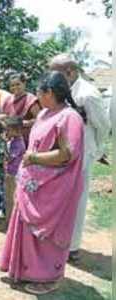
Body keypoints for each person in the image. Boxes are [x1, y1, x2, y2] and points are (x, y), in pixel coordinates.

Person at [0, 71, 85, 295]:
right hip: (32, 184)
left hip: (54, 187)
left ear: (52, 93)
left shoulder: (69, 117)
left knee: (45, 233)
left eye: (40, 92)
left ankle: (49, 277)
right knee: (26, 227)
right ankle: (24, 270)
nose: (37, 97)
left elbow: (67, 153)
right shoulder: (45, 113)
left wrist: (34, 158)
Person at [49, 54, 111, 262]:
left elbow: (103, 126)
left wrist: (97, 150)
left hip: (83, 152)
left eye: (55, 72)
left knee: (77, 198)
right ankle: (58, 240)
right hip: (62, 151)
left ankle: (72, 247)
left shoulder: (88, 94)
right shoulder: (60, 90)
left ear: (69, 71)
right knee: (60, 197)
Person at [0, 72, 41, 144]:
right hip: (9, 140)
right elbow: (3, 116)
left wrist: (24, 123)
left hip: (26, 140)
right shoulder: (8, 100)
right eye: (12, 85)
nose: (15, 87)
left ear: (24, 84)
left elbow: (39, 120)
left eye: (18, 84)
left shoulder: (31, 100)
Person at [4, 116, 26, 226]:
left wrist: (2, 145)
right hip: (10, 172)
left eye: (8, 130)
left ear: (17, 130)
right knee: (8, 198)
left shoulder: (18, 143)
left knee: (11, 199)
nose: (6, 132)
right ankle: (9, 221)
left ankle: (11, 223)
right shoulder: (13, 141)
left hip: (13, 174)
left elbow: (9, 158)